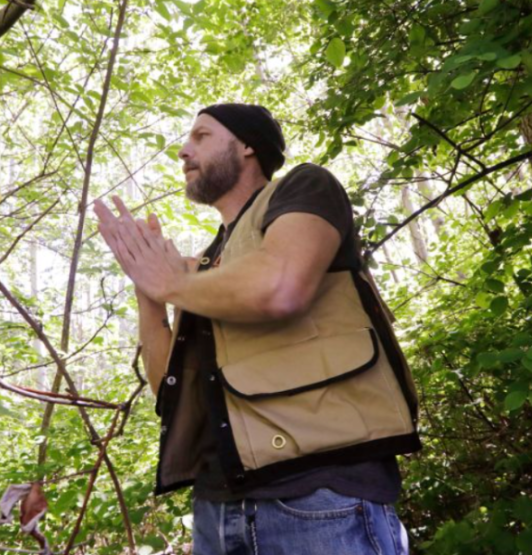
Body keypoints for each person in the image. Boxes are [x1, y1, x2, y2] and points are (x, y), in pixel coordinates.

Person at [93, 103, 420, 555]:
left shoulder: (306, 187)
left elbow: (280, 287)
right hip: (215, 509)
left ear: (248, 145)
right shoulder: (205, 271)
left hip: (320, 496)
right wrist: (149, 294)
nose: (184, 152)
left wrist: (171, 281)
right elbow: (170, 390)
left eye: (202, 136)